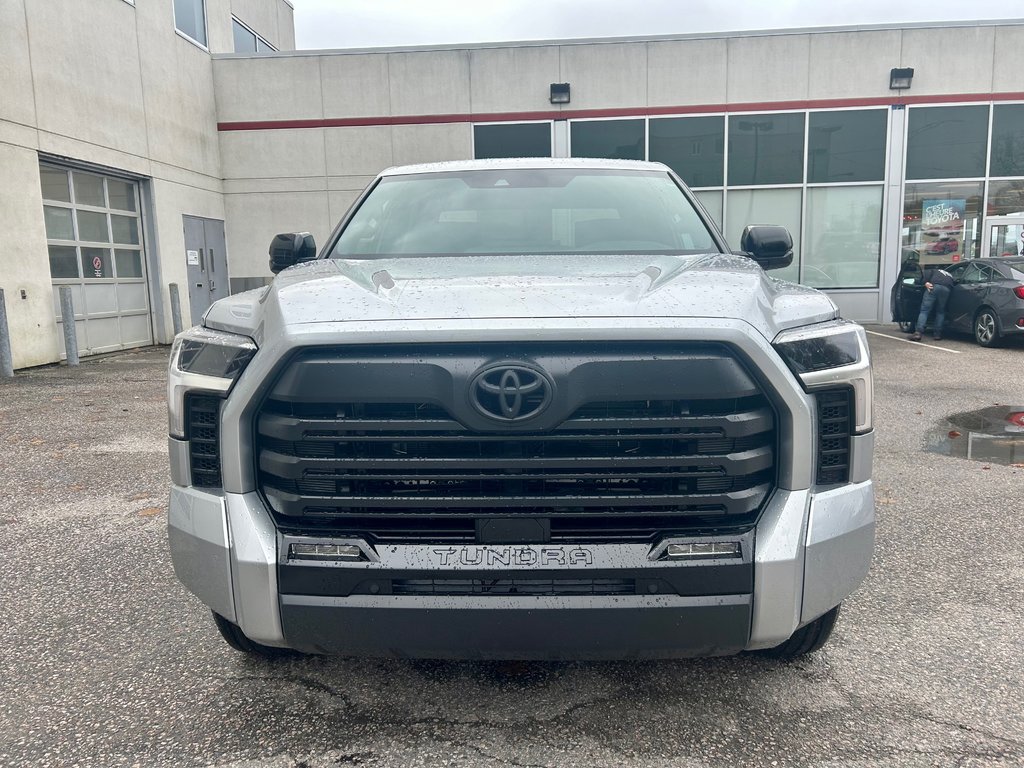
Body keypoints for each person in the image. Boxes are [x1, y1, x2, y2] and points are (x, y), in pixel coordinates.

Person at [909, 266, 955, 341]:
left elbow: (924, 279)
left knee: (924, 310)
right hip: (947, 289)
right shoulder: (949, 275)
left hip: (934, 287)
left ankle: (918, 333)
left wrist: (925, 283)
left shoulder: (930, 270)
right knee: (940, 312)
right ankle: (937, 334)